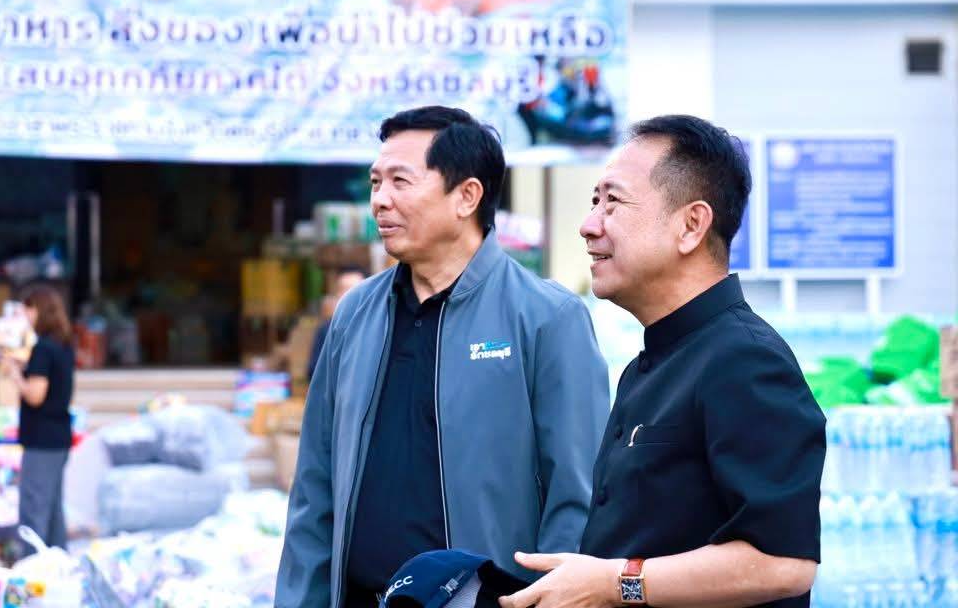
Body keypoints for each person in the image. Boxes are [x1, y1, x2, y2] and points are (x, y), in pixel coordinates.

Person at [276, 106, 609, 608]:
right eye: (375, 182)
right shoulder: (354, 315)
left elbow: (578, 494)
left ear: (467, 196)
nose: (380, 200)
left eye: (400, 181)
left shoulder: (547, 318)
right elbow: (314, 488)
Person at [499, 115, 826, 608]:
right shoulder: (649, 364)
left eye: (613, 202)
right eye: (594, 202)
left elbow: (782, 563)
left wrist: (615, 583)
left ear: (691, 225)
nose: (589, 225)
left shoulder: (745, 359)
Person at [0, 285, 75, 556]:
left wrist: (15, 376)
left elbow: (35, 395)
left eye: (28, 310)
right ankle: (59, 566)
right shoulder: (63, 345)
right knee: (53, 511)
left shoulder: (43, 348)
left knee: (34, 511)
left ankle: (33, 572)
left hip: (42, 440)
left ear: (40, 311)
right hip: (58, 437)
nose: (26, 316)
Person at [306, 266, 368, 379]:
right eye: (343, 290)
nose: (348, 295)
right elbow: (314, 371)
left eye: (355, 290)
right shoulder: (327, 330)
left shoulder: (379, 326)